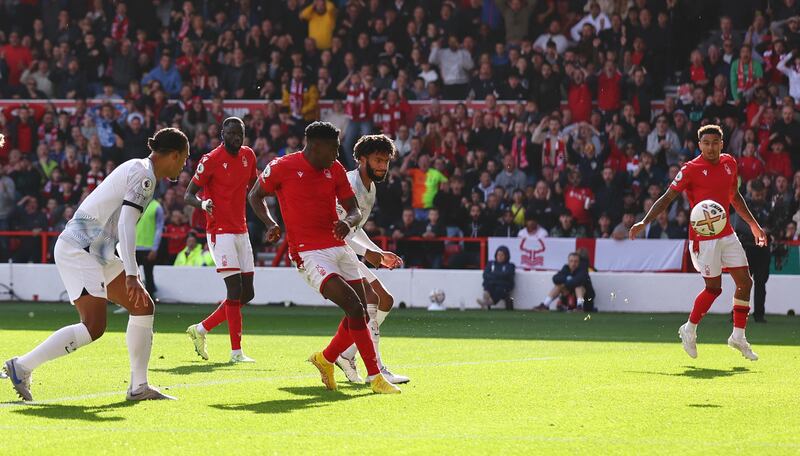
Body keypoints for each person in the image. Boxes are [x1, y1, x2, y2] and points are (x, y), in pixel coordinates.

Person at [4, 128, 189, 402]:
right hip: (81, 247)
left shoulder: (139, 169)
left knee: (142, 306)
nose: (184, 165)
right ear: (174, 155)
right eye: (184, 159)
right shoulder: (144, 176)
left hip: (96, 247)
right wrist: (131, 272)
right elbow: (126, 223)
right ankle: (21, 367)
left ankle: (139, 386)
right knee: (93, 326)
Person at [248, 121, 399, 394]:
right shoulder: (282, 166)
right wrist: (270, 223)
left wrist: (347, 223)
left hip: (339, 247)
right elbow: (255, 195)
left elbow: (352, 210)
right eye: (333, 149)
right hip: (308, 252)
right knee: (356, 307)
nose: (337, 155)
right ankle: (375, 376)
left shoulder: (336, 169)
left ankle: (326, 358)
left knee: (364, 309)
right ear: (315, 146)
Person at [629, 124, 766, 361]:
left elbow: (735, 196)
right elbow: (667, 197)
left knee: (745, 282)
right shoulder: (690, 169)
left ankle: (738, 336)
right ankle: (689, 329)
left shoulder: (729, 163)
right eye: (706, 143)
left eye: (715, 143)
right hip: (703, 239)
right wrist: (644, 221)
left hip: (727, 233)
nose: (711, 148)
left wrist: (753, 224)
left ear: (721, 144)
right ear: (699, 144)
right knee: (714, 288)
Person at [331, 134, 410, 385]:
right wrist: (368, 253)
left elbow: (356, 229)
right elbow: (339, 229)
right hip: (332, 251)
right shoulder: (350, 183)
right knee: (372, 301)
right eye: (377, 160)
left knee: (385, 300)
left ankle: (346, 355)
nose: (382, 167)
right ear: (361, 159)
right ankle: (376, 370)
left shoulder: (370, 187)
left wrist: (377, 251)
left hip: (346, 248)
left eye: (386, 161)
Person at [185, 117, 259, 363]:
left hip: (242, 229)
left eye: (240, 133)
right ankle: (236, 352)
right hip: (220, 230)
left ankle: (201, 329)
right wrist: (203, 203)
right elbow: (189, 194)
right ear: (222, 134)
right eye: (232, 133)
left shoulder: (249, 156)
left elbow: (255, 189)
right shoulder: (211, 160)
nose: (237, 137)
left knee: (247, 294)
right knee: (235, 289)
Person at [731, 180, 772, 323]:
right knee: (743, 283)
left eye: (761, 194)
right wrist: (758, 231)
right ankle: (736, 314)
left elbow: (773, 224)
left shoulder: (769, 206)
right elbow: (739, 226)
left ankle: (759, 314)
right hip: (747, 248)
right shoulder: (744, 206)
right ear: (751, 193)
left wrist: (768, 230)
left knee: (761, 282)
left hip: (763, 249)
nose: (759, 197)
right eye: (757, 195)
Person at [477, 246, 515, 310]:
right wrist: (497, 276)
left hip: (504, 286)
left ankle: (486, 303)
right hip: (492, 284)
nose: (499, 257)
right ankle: (486, 305)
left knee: (500, 288)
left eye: (502, 255)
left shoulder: (510, 266)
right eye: (498, 255)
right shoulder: (491, 264)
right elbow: (485, 275)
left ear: (506, 256)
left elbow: (506, 275)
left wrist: (494, 276)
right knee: (487, 285)